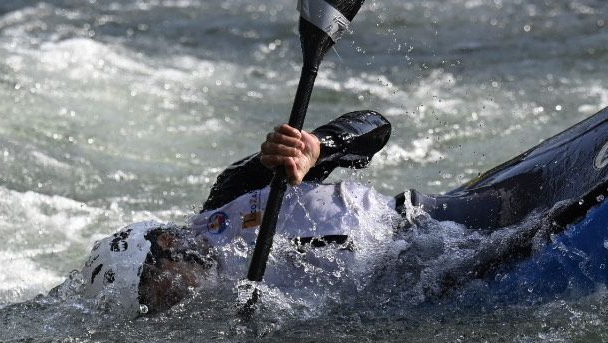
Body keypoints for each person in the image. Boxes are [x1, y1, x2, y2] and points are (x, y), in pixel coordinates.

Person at [75, 110, 400, 314]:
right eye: (153, 304)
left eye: (153, 283)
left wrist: (318, 146)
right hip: (401, 301)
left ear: (167, 242)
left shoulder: (233, 192)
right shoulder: (221, 315)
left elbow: (375, 127)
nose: (169, 298)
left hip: (414, 224)